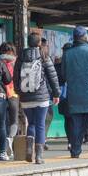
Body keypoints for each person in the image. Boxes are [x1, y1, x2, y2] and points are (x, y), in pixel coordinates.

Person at [16, 30, 61, 163]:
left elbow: (15, 77)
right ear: (39, 43)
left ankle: (29, 149)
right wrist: (56, 94)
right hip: (41, 97)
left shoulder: (21, 57)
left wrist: (20, 93)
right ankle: (39, 156)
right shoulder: (44, 56)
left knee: (31, 123)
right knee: (40, 124)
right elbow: (53, 77)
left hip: (25, 98)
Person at [61, 26, 88, 158]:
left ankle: (75, 152)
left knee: (76, 125)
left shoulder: (67, 54)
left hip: (74, 95)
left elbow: (64, 74)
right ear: (85, 37)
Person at [0, 42, 20, 141]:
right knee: (13, 119)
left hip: (3, 94)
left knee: (4, 119)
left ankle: (7, 140)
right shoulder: (17, 62)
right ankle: (10, 139)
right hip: (13, 94)